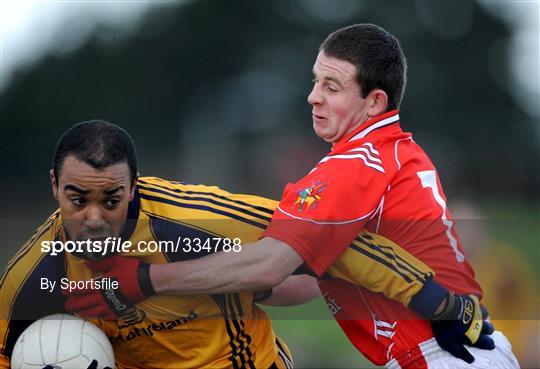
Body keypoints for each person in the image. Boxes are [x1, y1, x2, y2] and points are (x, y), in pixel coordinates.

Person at [66, 25, 519, 368]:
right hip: (459, 352)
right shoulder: (394, 150)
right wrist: (210, 289)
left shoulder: (355, 164)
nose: (312, 97)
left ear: (375, 102)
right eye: (316, 81)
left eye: (332, 87)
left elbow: (272, 262)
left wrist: (144, 280)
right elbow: (301, 281)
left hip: (443, 355)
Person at [2, 120, 455, 369]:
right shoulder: (29, 280)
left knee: (287, 282)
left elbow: (325, 235)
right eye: (77, 199)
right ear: (54, 186)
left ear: (135, 188)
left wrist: (431, 296)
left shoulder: (192, 220)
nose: (94, 218)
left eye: (112, 199)